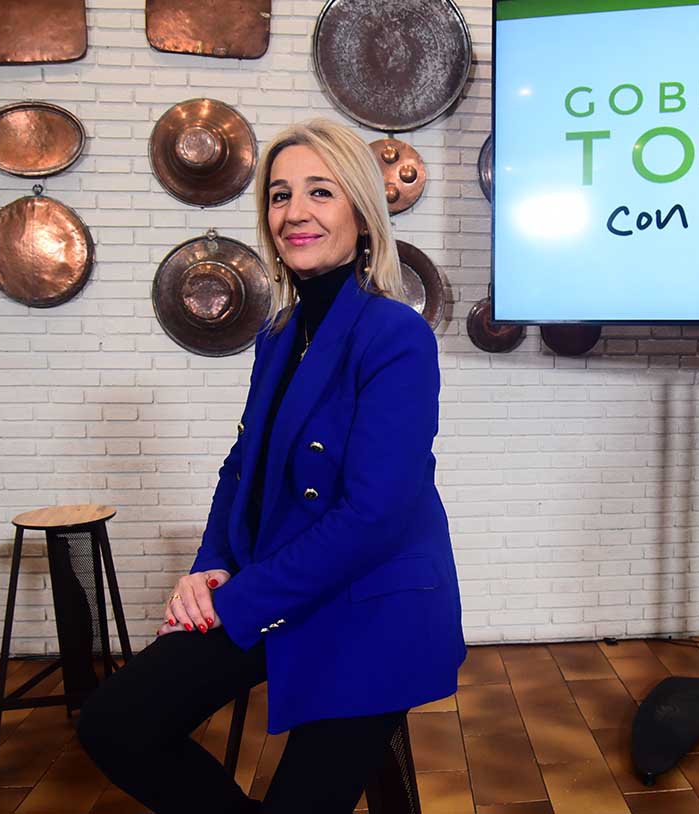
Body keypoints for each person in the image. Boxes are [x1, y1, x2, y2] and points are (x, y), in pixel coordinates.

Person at [78, 118, 466, 813]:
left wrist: (238, 606)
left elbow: (373, 516)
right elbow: (241, 467)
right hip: (282, 586)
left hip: (369, 612)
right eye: (280, 195)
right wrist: (210, 564)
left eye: (320, 192)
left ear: (360, 211)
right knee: (115, 723)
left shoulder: (395, 334)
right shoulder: (281, 332)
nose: (295, 212)